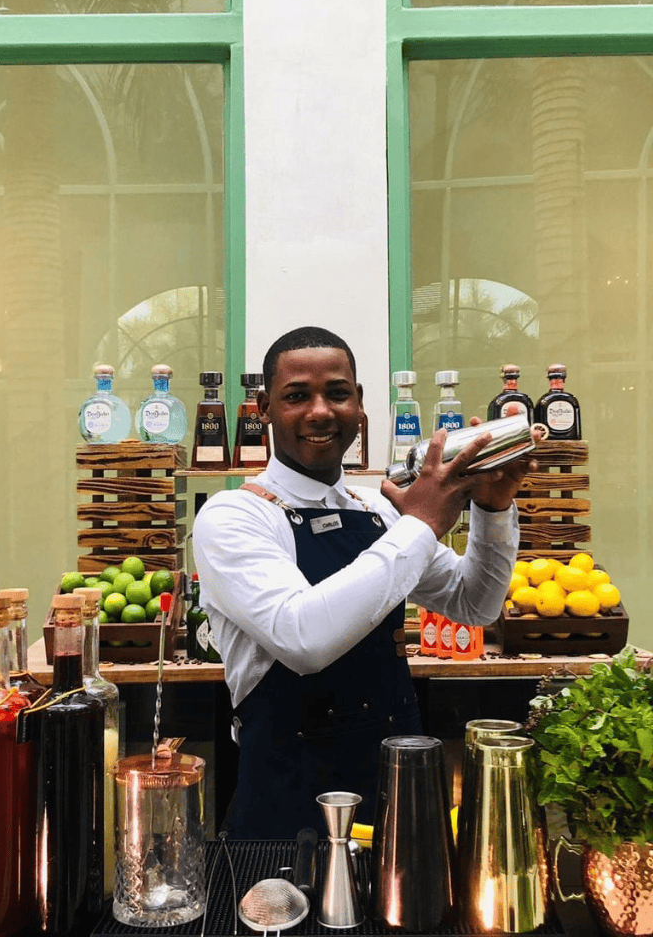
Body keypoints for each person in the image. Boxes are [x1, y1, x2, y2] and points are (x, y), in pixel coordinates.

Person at [192, 326, 537, 839]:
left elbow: (476, 602)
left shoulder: (376, 508)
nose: (319, 411)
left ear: (359, 403)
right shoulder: (234, 515)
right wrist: (422, 525)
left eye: (337, 393)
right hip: (289, 812)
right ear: (263, 408)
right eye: (296, 396)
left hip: (399, 796)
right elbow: (302, 637)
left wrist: (492, 506)